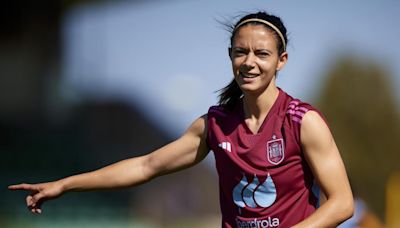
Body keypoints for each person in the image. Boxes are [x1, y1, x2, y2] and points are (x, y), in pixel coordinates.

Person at [9, 11, 354, 227]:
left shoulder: (302, 121)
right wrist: (66, 184)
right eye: (240, 52)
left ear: (281, 61)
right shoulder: (213, 125)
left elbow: (342, 203)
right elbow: (146, 166)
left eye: (262, 53)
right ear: (230, 56)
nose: (249, 62)